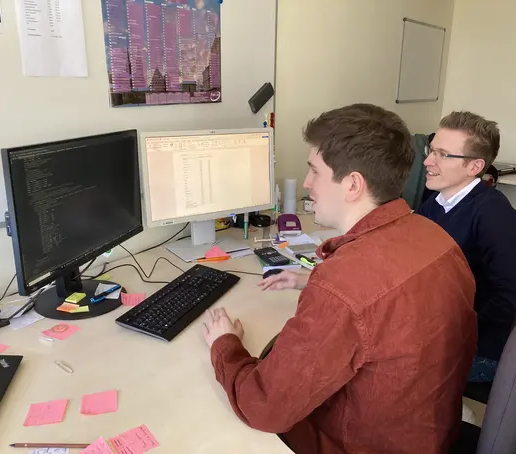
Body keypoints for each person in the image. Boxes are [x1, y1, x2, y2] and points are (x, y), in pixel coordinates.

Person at [202, 103, 477, 454]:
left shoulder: (344, 285)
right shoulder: (438, 239)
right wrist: (314, 281)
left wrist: (224, 344)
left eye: (314, 171)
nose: (307, 183)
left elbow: (263, 407)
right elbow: (385, 297)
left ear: (352, 185)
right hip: (428, 431)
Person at [417, 111, 516, 383]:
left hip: (479, 349)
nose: (427, 161)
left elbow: (509, 298)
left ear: (474, 166)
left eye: (443, 155)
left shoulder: (494, 214)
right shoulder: (437, 202)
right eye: (431, 150)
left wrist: (445, 332)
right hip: (439, 322)